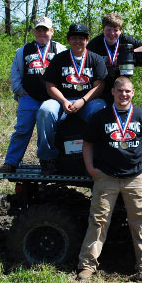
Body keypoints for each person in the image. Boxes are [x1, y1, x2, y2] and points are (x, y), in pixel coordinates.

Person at [77, 76, 142, 280]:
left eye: (128, 91)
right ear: (113, 92)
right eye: (120, 90)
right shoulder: (100, 116)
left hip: (136, 178)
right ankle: (87, 265)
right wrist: (90, 168)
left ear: (133, 93)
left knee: (140, 222)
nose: (124, 94)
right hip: (106, 177)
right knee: (98, 221)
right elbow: (87, 143)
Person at [37, 23, 108, 173]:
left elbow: (99, 86)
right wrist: (63, 101)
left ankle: (101, 157)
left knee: (102, 111)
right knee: (45, 110)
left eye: (81, 38)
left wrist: (82, 101)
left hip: (88, 101)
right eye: (74, 38)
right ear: (68, 40)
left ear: (87, 40)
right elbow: (50, 85)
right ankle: (47, 158)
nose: (78, 41)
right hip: (62, 100)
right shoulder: (59, 58)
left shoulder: (95, 59)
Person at [0, 17, 66, 173]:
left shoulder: (60, 49)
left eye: (45, 30)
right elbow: (15, 71)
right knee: (22, 130)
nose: (42, 33)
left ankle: (47, 160)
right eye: (39, 30)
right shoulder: (24, 50)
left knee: (51, 131)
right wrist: (19, 90)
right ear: (35, 32)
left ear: (52, 32)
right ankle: (11, 162)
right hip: (29, 97)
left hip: (52, 99)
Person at [87, 13, 142, 103]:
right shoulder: (94, 44)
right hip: (100, 89)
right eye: (108, 30)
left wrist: (124, 55)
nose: (112, 33)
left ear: (120, 31)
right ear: (103, 29)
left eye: (115, 30)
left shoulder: (124, 39)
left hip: (121, 89)